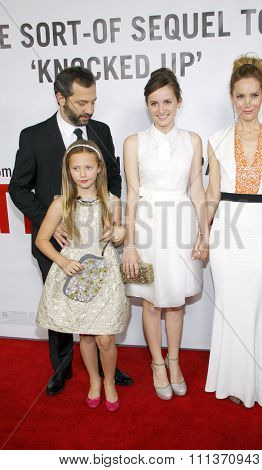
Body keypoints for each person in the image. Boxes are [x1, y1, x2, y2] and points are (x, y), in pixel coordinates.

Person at [9, 66, 133, 396]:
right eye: (81, 103)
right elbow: (18, 188)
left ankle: (110, 369)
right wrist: (56, 222)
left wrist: (113, 213)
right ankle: (62, 370)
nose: (88, 110)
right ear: (60, 98)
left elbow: (115, 179)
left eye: (93, 101)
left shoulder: (101, 131)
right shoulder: (33, 136)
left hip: (98, 240)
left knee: (101, 307)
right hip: (58, 243)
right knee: (63, 306)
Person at [205, 55, 262, 415]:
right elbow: (213, 193)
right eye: (241, 96)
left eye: (254, 95)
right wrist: (203, 231)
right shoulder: (216, 139)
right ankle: (231, 382)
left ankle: (255, 380)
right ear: (231, 96)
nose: (247, 104)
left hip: (261, 229)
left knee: (256, 307)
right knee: (229, 307)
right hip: (226, 231)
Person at [122, 68, 209, 400]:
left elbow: (198, 192)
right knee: (149, 301)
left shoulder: (193, 140)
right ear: (147, 105)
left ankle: (174, 361)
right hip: (144, 231)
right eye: (154, 103)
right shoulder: (133, 142)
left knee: (176, 303)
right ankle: (157, 363)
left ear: (179, 102)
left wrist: (204, 234)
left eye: (167, 102)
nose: (161, 110)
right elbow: (132, 194)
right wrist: (129, 245)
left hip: (182, 229)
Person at [36, 140, 130, 411]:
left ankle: (109, 381)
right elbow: (42, 240)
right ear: (68, 171)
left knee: (106, 338)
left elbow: (117, 234)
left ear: (99, 168)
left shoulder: (112, 202)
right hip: (75, 273)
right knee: (86, 336)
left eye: (88, 167)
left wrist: (120, 232)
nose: (83, 173)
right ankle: (94, 381)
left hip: (105, 273)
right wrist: (62, 260)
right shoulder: (60, 204)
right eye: (76, 168)